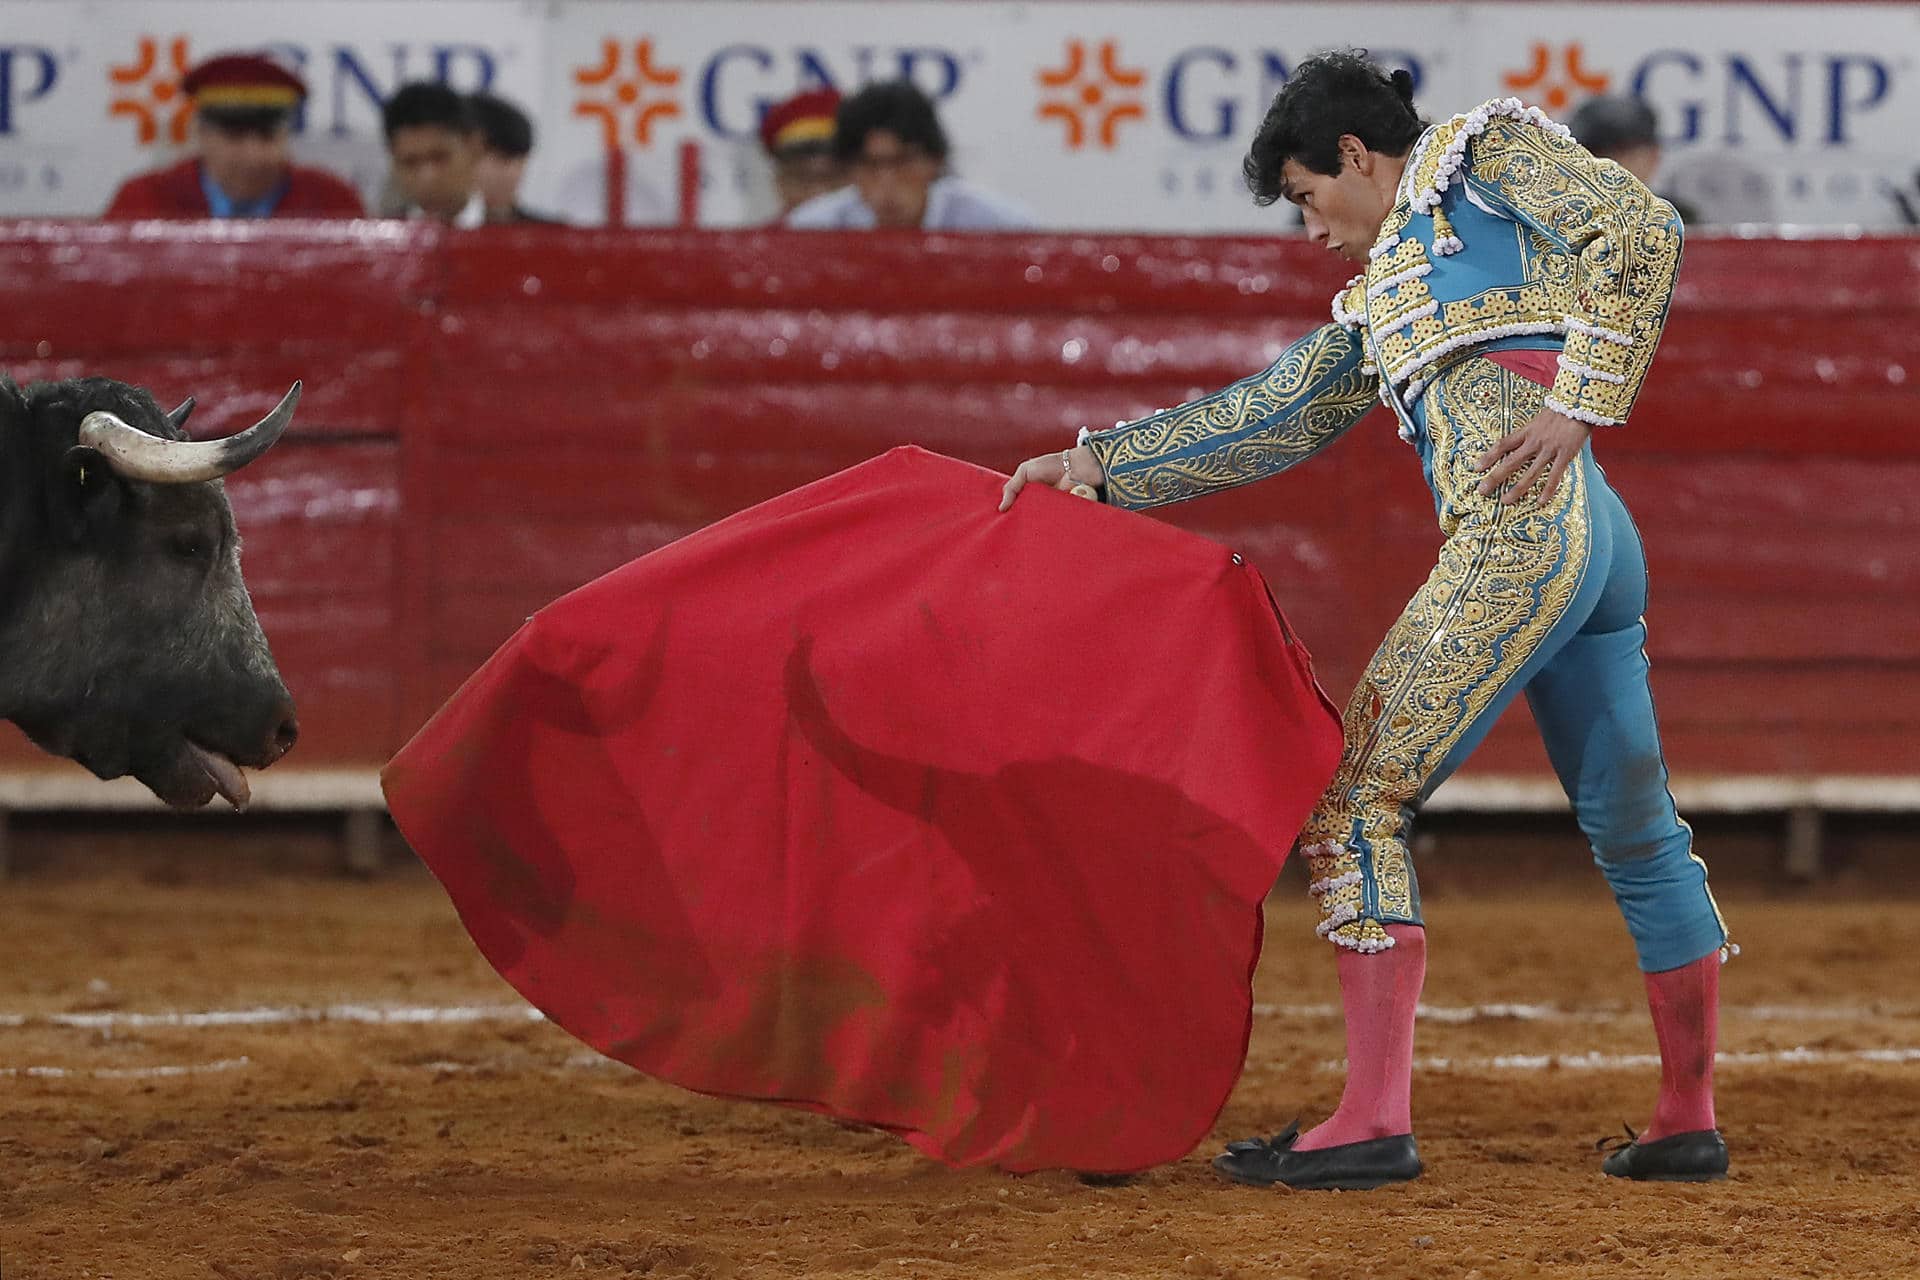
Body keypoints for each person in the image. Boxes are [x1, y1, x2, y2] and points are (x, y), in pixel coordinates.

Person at [1001, 52, 1729, 1190]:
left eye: (1306, 195)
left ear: (1353, 153)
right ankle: (1687, 1118)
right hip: (1584, 536)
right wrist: (1099, 465)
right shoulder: (1389, 284)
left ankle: (1373, 1119)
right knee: (1635, 823)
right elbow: (1284, 411)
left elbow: (1641, 228)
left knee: (1352, 802)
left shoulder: (1483, 155)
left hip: (1525, 529)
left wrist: (1581, 404)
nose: (1310, 228)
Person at [104, 53, 363, 219]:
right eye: (235, 137)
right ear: (201, 134)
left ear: (286, 136)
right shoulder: (144, 202)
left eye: (268, 137)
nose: (254, 155)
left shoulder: (332, 202)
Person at [787, 80, 1031, 231]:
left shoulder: (998, 226)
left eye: (903, 162)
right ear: (848, 170)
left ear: (935, 161)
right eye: (870, 165)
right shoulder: (815, 229)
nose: (887, 182)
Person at [1567, 94, 1702, 224]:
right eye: (1591, 152)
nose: (1604, 165)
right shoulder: (1562, 220)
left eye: (1620, 152)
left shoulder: (1679, 222)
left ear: (1653, 157)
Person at [381, 82, 484, 228]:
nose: (427, 177)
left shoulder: (517, 232)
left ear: (473, 148)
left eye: (440, 158)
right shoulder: (380, 237)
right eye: (410, 162)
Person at [468, 91, 564, 225]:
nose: (513, 174)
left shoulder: (550, 233)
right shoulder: (440, 232)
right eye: (502, 159)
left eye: (521, 161)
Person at [760, 88, 847, 222]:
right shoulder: (761, 236)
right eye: (804, 180)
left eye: (831, 178)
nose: (818, 194)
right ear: (780, 183)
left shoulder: (875, 233)